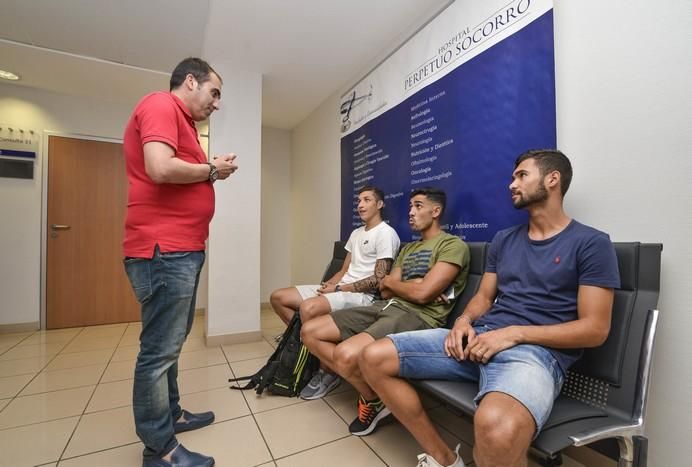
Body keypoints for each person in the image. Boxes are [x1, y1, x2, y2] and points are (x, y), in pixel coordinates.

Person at [358, 149, 621, 467]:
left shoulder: (591, 243)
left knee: (495, 429)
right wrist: (463, 321)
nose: (512, 183)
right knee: (372, 357)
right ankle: (443, 459)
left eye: (521, 175)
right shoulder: (504, 240)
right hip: (477, 340)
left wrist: (514, 335)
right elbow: (483, 298)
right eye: (513, 177)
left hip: (534, 354)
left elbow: (595, 329)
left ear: (553, 180)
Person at [123, 57, 238, 467]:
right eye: (214, 92)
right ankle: (161, 449)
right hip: (164, 250)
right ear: (190, 81)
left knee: (170, 345)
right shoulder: (159, 104)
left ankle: (171, 415)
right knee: (158, 350)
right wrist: (211, 170)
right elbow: (159, 167)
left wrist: (209, 171)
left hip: (180, 249)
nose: (217, 103)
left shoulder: (184, 123)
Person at [301, 187, 470, 436]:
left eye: (418, 206)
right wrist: (412, 284)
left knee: (345, 356)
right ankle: (378, 395)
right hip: (385, 306)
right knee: (310, 331)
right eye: (410, 206)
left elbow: (422, 295)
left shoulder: (452, 245)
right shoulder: (408, 249)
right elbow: (385, 288)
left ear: (436, 211)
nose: (411, 212)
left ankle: (373, 399)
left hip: (418, 316)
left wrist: (409, 286)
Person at [270, 185, 400, 399]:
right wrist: (326, 287)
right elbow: (344, 270)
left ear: (379, 204)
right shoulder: (357, 233)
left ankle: (327, 372)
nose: (360, 205)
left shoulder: (386, 234)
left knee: (309, 307)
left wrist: (337, 289)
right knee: (279, 297)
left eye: (367, 200)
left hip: (362, 296)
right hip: (340, 288)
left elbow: (379, 279)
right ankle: (313, 351)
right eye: (359, 200)